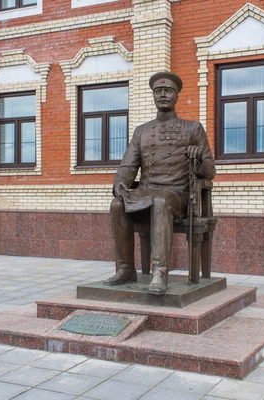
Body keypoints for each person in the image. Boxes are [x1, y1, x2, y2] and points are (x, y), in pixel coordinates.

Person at [104, 71, 216, 295]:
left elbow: (210, 171)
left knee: (161, 200)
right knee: (117, 205)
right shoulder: (142, 131)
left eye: (168, 91)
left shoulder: (193, 128)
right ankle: (125, 269)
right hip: (146, 191)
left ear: (176, 96)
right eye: (158, 91)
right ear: (153, 96)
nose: (163, 94)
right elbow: (128, 166)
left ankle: (160, 272)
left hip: (177, 195)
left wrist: (197, 160)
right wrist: (120, 184)